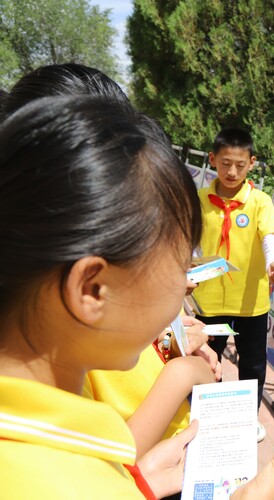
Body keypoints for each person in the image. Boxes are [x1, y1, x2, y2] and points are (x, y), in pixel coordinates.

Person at [0, 96, 274, 498]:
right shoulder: (61, 482)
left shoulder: (53, 445)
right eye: (179, 263)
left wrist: (138, 484)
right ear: (93, 289)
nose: (186, 282)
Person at [0, 63, 221, 458]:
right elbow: (107, 455)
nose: (185, 281)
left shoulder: (77, 303)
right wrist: (181, 376)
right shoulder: (59, 344)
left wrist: (174, 343)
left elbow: (150, 343)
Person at [193, 127, 274, 442]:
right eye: (224, 163)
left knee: (253, 364)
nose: (231, 171)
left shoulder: (259, 201)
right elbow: (191, 240)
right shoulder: (199, 199)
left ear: (252, 164)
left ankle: (248, 419)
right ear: (212, 160)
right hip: (208, 302)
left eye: (239, 164)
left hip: (251, 303)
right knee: (207, 359)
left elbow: (268, 236)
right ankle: (206, 416)